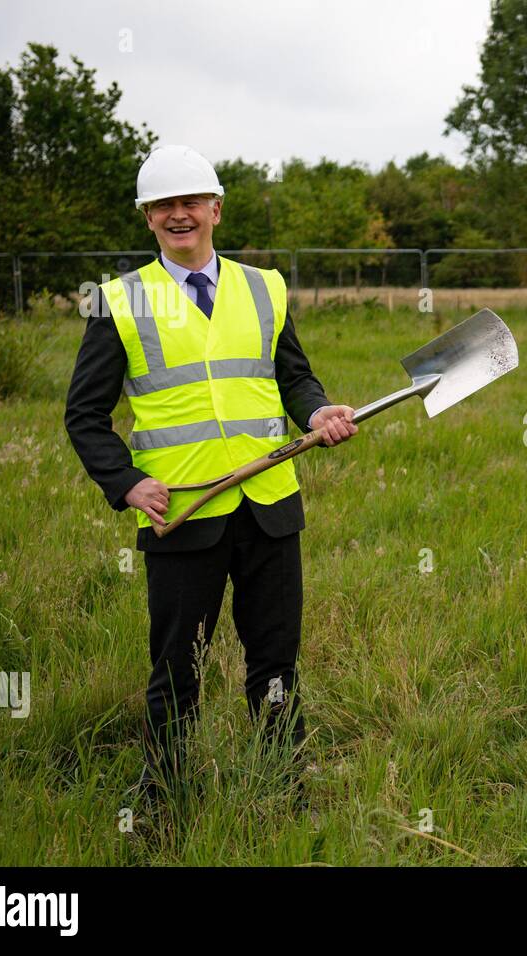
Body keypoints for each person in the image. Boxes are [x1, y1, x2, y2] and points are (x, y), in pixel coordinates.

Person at [64, 144, 358, 801]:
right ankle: (166, 799)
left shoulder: (265, 288)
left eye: (189, 202)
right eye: (164, 205)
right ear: (147, 218)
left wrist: (316, 412)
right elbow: (84, 415)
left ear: (215, 209)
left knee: (276, 663)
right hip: (184, 514)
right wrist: (127, 483)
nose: (179, 215)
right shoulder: (120, 301)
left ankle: (286, 786)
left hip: (271, 507)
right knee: (176, 670)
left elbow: (293, 376)